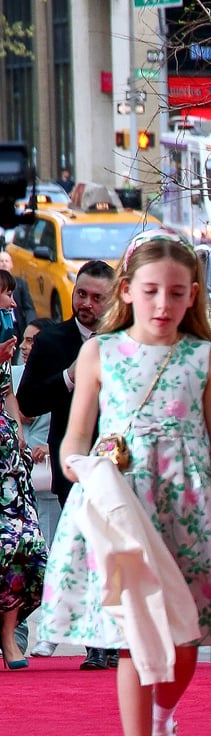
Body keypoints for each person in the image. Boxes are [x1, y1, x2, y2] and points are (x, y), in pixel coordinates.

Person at [36, 230, 211, 736]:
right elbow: (73, 440)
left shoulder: (203, 357)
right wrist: (88, 473)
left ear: (192, 297)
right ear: (127, 291)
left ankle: (161, 720)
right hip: (124, 508)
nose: (162, 304)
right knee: (133, 640)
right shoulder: (99, 353)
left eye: (175, 294)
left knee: (186, 638)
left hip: (189, 512)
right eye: (151, 291)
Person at [17, 259, 116, 670]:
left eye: (97, 297)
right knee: (87, 549)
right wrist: (69, 377)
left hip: (120, 463)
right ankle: (96, 641)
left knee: (115, 552)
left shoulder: (126, 339)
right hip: (71, 462)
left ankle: (114, 638)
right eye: (81, 294)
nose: (86, 303)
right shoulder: (53, 340)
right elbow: (27, 402)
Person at [0, 271, 47, 670]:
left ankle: (10, 634)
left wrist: (18, 432)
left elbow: (9, 395)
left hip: (9, 465)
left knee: (25, 544)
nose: (13, 304)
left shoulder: (6, 346)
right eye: (6, 295)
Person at [11, 318, 60, 657]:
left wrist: (49, 449)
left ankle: (53, 628)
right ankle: (17, 635)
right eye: (25, 341)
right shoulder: (9, 374)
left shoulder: (61, 377)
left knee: (53, 561)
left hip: (50, 483)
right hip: (15, 484)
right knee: (16, 561)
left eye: (34, 341)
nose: (27, 347)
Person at [0, 251, 36, 350]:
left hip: (17, 328)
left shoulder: (21, 283)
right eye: (1, 261)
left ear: (11, 264)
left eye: (6, 261)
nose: (4, 263)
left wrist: (30, 326)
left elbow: (29, 308)